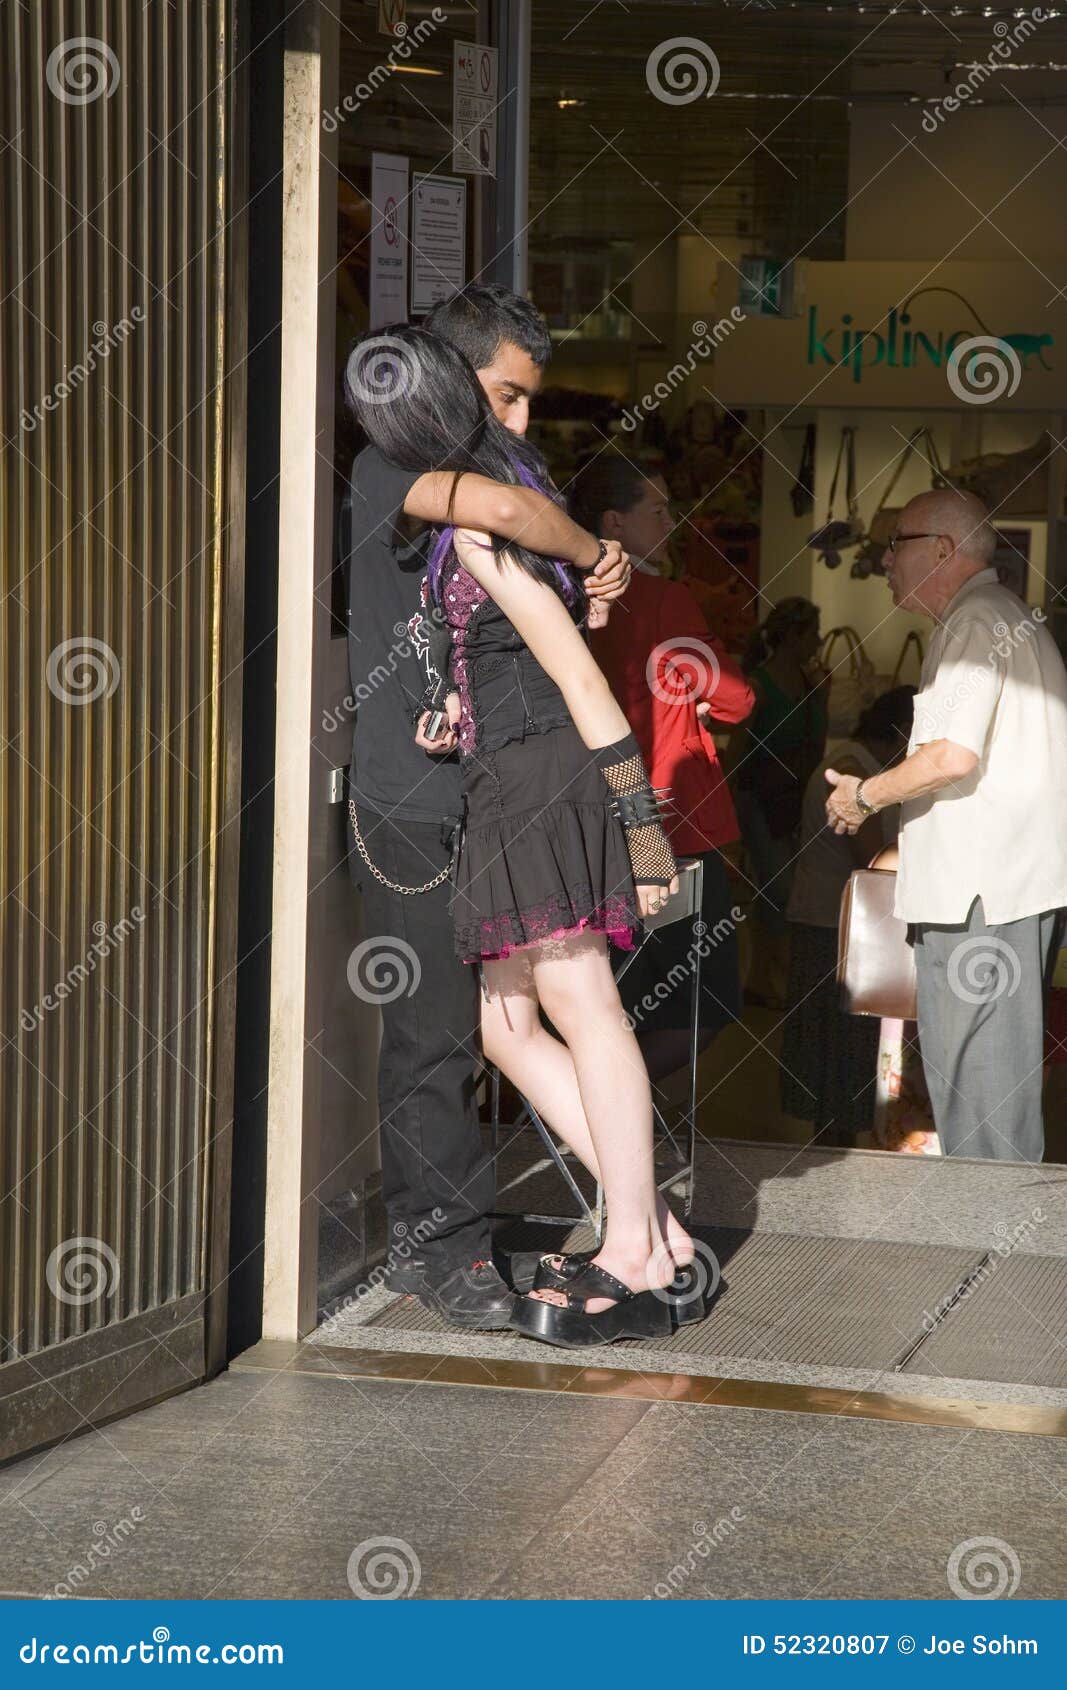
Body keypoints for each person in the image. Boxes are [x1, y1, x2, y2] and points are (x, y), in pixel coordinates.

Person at [350, 325, 700, 1349]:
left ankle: (635, 1241)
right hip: (508, 782)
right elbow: (507, 659)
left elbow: (582, 682)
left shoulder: (476, 525)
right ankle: (655, 1231)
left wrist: (642, 832)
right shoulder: (461, 521)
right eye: (503, 397)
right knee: (506, 1028)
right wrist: (456, 710)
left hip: (540, 785)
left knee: (579, 1002)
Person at [825, 488, 1067, 1163]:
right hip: (991, 894)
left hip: (980, 901)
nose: (882, 561)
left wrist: (864, 797)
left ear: (939, 549)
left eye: (894, 543)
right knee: (980, 1092)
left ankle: (990, 1257)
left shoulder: (975, 622)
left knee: (981, 1098)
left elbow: (949, 757)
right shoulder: (993, 618)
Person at [570, 453, 755, 1095]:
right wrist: (697, 698)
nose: (673, 521)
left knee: (614, 996)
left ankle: (587, 1117)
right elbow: (736, 698)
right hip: (670, 831)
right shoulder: (664, 598)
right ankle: (600, 1110)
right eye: (659, 509)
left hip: (590, 829)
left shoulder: (563, 594)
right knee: (699, 1004)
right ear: (614, 522)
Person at [780, 686, 915, 1145]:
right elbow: (876, 855)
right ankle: (836, 1144)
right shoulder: (855, 769)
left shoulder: (859, 762)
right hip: (833, 926)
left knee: (832, 1046)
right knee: (840, 1043)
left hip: (828, 920)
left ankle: (835, 1138)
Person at [729, 598, 829, 1008]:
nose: (818, 642)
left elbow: (815, 748)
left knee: (779, 889)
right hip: (759, 800)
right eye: (812, 634)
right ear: (792, 637)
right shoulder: (759, 685)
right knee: (779, 889)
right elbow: (738, 752)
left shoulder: (809, 684)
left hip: (793, 800)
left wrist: (821, 699)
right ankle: (778, 978)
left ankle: (760, 978)